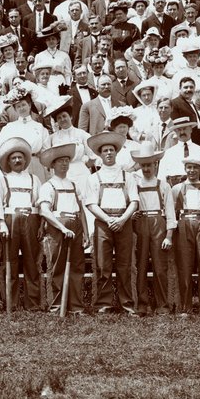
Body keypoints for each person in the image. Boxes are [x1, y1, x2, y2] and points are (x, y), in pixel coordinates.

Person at [85, 131, 139, 314]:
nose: (108, 153)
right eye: (105, 150)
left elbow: (134, 201)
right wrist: (108, 220)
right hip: (103, 222)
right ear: (100, 155)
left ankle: (127, 303)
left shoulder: (128, 176)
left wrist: (123, 219)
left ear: (116, 152)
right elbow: (91, 204)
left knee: (125, 264)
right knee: (103, 265)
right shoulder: (93, 178)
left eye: (111, 150)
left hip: (124, 221)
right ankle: (103, 303)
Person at [37, 138, 87, 315]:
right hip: (57, 228)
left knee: (77, 266)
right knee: (57, 266)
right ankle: (57, 305)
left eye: (67, 161)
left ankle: (76, 306)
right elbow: (44, 211)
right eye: (60, 161)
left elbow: (81, 211)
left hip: (75, 225)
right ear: (53, 165)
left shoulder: (74, 185)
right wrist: (62, 228)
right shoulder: (48, 186)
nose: (64, 164)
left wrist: (86, 233)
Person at [0, 135, 43, 311]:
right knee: (10, 262)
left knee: (31, 262)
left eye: (20, 157)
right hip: (10, 220)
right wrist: (2, 224)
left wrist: (41, 224)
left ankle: (33, 303)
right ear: (8, 161)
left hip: (30, 220)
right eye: (13, 158)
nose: (17, 160)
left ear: (25, 160)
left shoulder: (34, 179)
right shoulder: (3, 180)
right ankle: (10, 302)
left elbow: (40, 203)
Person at [128, 142, 175, 316]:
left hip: (158, 223)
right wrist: (132, 216)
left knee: (160, 266)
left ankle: (162, 304)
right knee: (140, 264)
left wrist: (169, 236)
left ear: (156, 164)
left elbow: (170, 212)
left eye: (149, 164)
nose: (146, 168)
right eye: (143, 165)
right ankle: (141, 304)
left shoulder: (163, 185)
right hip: (141, 223)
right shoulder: (134, 183)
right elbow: (130, 204)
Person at [171, 149, 200, 316]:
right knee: (184, 265)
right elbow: (172, 211)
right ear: (185, 169)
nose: (191, 171)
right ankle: (185, 307)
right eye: (189, 167)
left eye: (195, 168)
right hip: (184, 223)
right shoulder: (177, 189)